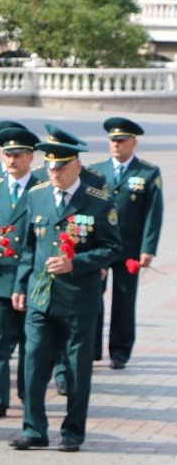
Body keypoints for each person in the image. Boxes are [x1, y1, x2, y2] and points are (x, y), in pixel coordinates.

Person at [10, 133, 120, 453]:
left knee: (76, 368)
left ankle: (73, 430)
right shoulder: (37, 195)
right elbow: (29, 247)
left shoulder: (98, 199)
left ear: (77, 166)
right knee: (32, 363)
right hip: (40, 297)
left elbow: (113, 247)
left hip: (78, 299)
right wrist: (20, 285)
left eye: (61, 167)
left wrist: (77, 263)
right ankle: (33, 429)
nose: (54, 173)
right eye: (50, 166)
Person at [89, 117, 163, 370]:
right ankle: (91, 348)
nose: (116, 145)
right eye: (112, 140)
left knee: (124, 299)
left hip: (129, 247)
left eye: (121, 140)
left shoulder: (148, 172)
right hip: (99, 246)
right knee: (92, 296)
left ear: (133, 142)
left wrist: (148, 249)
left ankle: (120, 352)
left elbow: (154, 213)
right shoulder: (97, 171)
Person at [0, 126, 42, 420]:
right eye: (7, 154)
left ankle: (30, 393)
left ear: (30, 157)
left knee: (32, 343)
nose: (12, 160)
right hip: (0, 278)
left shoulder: (41, 190)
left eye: (18, 155)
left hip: (31, 278)